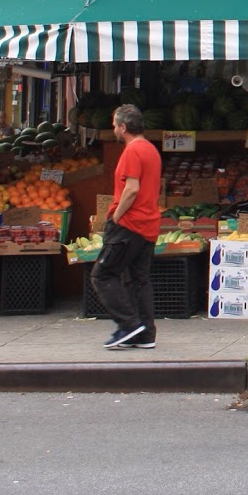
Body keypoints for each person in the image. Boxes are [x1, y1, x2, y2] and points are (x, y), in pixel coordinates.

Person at [93, 104, 163, 349]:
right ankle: (146, 334)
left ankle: (129, 324)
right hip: (148, 225)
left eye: (114, 125)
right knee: (138, 279)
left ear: (123, 128)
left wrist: (115, 216)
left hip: (129, 224)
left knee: (103, 274)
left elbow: (131, 188)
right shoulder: (152, 150)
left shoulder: (132, 152)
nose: (113, 129)